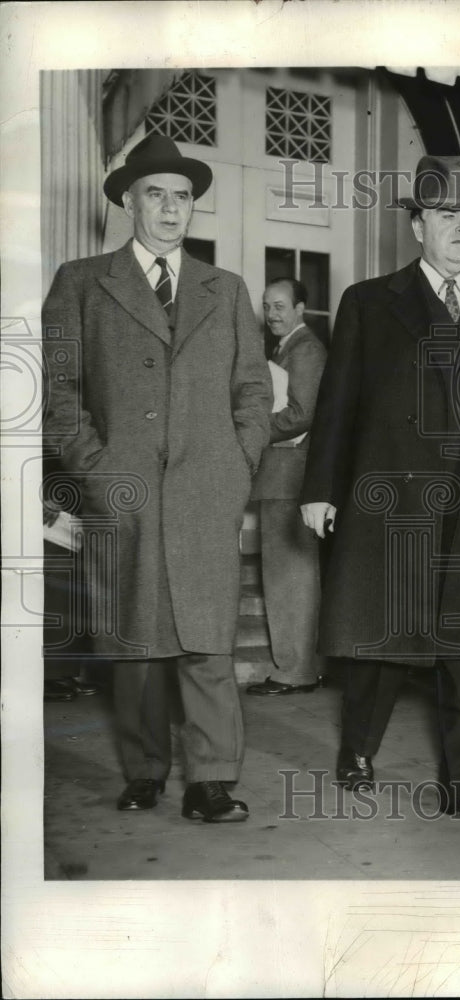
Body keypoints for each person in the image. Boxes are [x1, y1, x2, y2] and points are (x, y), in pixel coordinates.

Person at [301, 154, 460, 828]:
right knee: (382, 639)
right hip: (394, 500)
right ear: (417, 226)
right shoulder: (370, 303)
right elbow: (339, 403)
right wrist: (320, 488)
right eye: (446, 216)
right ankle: (357, 748)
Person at [42, 134, 272, 822]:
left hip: (208, 490)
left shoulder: (224, 289)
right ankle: (144, 770)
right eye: (156, 195)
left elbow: (253, 392)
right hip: (125, 489)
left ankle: (211, 781)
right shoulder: (82, 282)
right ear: (128, 202)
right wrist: (95, 466)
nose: (172, 210)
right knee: (136, 644)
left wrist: (237, 465)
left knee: (207, 642)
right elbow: (56, 390)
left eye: (183, 198)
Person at [246, 278, 327, 695]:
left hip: (289, 478)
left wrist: (249, 429)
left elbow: (301, 414)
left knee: (289, 578)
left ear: (301, 309)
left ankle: (294, 672)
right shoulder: (285, 349)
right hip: (282, 476)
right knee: (286, 576)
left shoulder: (306, 349)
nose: (272, 314)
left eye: (280, 306)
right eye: (267, 306)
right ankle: (298, 667)